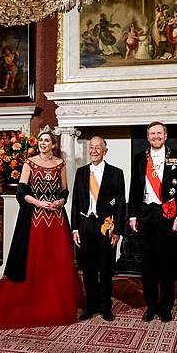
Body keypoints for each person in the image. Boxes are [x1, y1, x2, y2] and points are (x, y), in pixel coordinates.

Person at [0, 126, 80, 329]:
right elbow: (21, 192)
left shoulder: (60, 164)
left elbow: (65, 190)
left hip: (56, 219)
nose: (43, 144)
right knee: (36, 259)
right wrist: (39, 203)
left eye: (47, 141)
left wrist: (60, 202)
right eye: (41, 141)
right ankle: (34, 299)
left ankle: (58, 300)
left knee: (58, 259)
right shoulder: (29, 163)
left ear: (53, 145)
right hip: (36, 218)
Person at [129, 121, 177, 322]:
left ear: (165, 135)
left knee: (167, 263)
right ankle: (151, 305)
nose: (155, 136)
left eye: (159, 133)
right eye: (152, 133)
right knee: (148, 264)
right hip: (146, 213)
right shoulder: (139, 158)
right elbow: (134, 189)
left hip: (168, 215)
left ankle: (166, 306)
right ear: (148, 137)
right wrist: (132, 215)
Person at [71, 136, 126, 321]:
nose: (94, 151)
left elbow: (120, 205)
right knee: (88, 269)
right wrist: (75, 229)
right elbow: (75, 202)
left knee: (105, 268)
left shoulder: (116, 173)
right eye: (91, 148)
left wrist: (118, 231)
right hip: (85, 225)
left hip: (106, 226)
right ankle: (91, 306)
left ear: (105, 151)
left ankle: (105, 307)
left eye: (98, 148)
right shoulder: (80, 173)